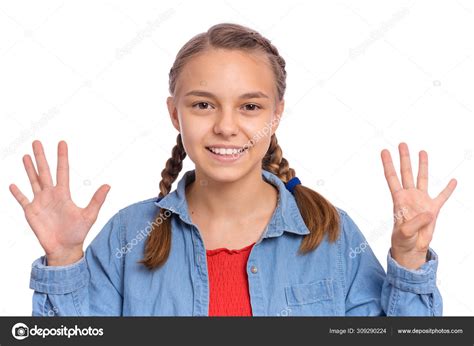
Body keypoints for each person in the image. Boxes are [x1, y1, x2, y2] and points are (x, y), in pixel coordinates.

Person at [9, 23, 457, 316]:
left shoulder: (330, 234)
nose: (225, 126)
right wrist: (65, 260)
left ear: (276, 114)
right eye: (203, 104)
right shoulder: (129, 236)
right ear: (174, 114)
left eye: (249, 106)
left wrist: (410, 259)